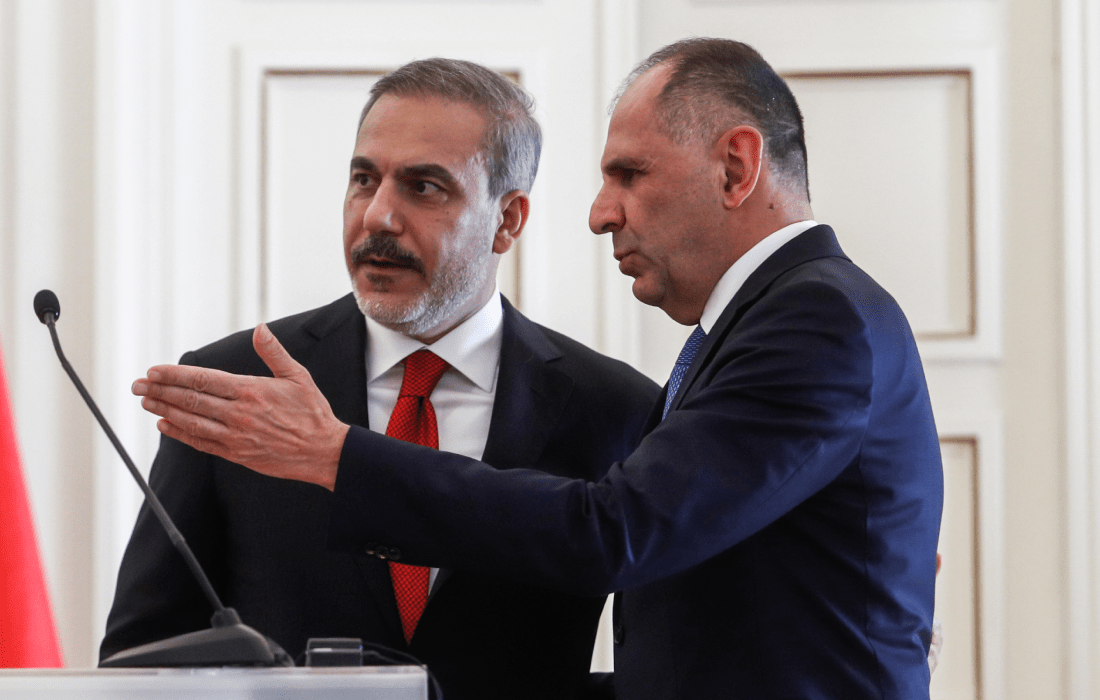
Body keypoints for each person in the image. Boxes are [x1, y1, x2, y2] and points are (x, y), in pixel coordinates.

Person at [133, 39, 943, 699]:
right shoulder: (240, 387)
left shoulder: (805, 323)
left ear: (735, 168)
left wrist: (337, 457)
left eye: (630, 174)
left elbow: (612, 533)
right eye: (362, 178)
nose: (600, 212)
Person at [102, 57, 660, 700]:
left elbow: (663, 664)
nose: (377, 217)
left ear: (507, 220)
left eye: (424, 187)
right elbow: (138, 663)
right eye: (364, 180)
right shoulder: (235, 386)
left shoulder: (614, 409)